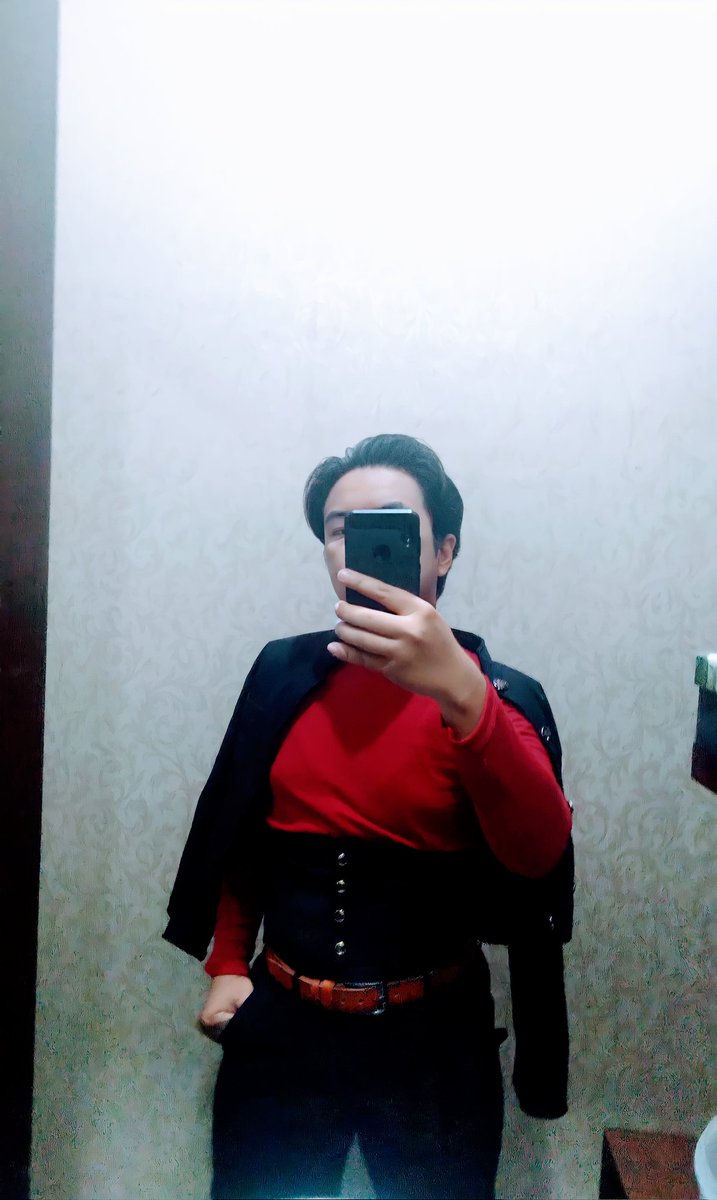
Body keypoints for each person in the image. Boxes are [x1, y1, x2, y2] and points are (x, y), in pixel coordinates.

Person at [163, 433, 574, 1200]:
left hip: (436, 1045)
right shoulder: (282, 674)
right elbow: (242, 839)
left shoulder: (498, 697)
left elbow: (536, 858)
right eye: (337, 528)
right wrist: (227, 966)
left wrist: (462, 695)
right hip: (281, 1029)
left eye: (388, 524)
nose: (356, 542)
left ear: (443, 551)